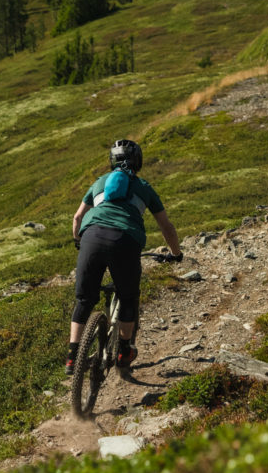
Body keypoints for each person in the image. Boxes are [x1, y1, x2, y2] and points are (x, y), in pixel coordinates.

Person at [66, 139, 182, 375]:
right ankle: (123, 350)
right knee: (128, 297)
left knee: (84, 300)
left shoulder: (99, 183)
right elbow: (166, 227)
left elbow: (77, 218)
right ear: (137, 162)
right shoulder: (144, 186)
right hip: (124, 241)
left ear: (112, 161)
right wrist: (176, 254)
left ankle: (71, 356)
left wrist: (80, 242)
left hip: (91, 238)